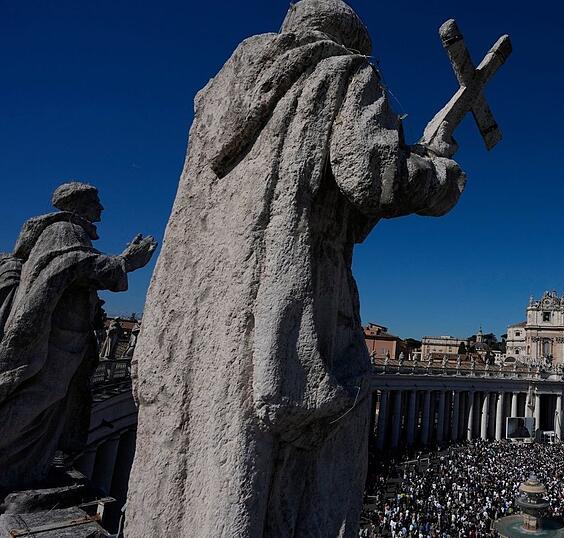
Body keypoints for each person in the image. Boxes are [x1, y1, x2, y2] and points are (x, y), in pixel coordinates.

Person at [126, 1, 466, 536]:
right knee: (278, 481)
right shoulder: (344, 70)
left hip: (193, 314)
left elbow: (336, 208)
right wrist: (440, 173)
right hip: (280, 309)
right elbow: (371, 175)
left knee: (194, 466)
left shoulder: (218, 96)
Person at [0, 182, 155, 494]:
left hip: (65, 337)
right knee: (40, 396)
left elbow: (76, 263)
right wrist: (125, 262)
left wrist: (120, 259)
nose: (102, 209)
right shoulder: (64, 229)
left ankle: (26, 468)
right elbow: (71, 265)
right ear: (79, 203)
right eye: (96, 201)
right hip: (56, 339)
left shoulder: (69, 231)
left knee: (51, 402)